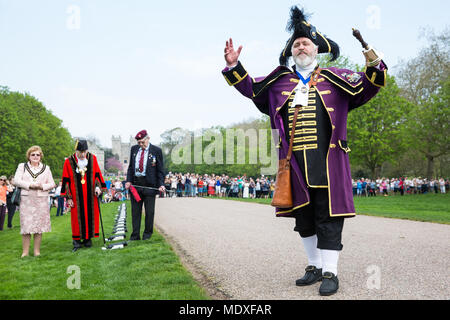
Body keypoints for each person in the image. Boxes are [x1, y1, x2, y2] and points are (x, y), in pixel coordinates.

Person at [222, 6, 387, 296]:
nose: (301, 47)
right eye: (296, 44)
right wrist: (235, 65)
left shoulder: (336, 78)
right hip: (295, 164)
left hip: (329, 163)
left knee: (329, 217)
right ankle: (313, 266)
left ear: (316, 49)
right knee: (304, 218)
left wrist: (372, 59)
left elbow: (370, 85)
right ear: (291, 50)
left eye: (306, 43)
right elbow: (251, 88)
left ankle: (330, 272)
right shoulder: (279, 82)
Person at [60, 139, 106, 252]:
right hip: (76, 196)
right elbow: (65, 179)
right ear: (76, 150)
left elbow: (97, 174)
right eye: (81, 152)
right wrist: (68, 197)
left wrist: (97, 186)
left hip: (90, 195)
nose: (83, 154)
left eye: (85, 152)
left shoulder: (92, 158)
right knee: (76, 218)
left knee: (90, 215)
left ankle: (87, 239)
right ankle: (76, 241)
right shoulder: (69, 161)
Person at [13, 146, 56, 257]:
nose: (35, 157)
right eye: (33, 154)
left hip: (41, 199)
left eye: (38, 154)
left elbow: (52, 184)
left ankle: (37, 252)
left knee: (39, 226)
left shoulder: (46, 168)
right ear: (29, 156)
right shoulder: (22, 166)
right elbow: (16, 180)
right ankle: (25, 252)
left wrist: (42, 186)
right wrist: (29, 185)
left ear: (41, 156)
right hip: (26, 200)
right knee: (26, 227)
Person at [125, 130, 165, 241]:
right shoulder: (134, 149)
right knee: (135, 212)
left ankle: (147, 235)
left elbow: (160, 170)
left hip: (150, 186)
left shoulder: (156, 151)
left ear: (148, 138)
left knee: (149, 212)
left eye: (142, 142)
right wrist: (128, 180)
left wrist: (161, 184)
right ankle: (135, 235)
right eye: (139, 143)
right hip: (136, 186)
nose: (141, 145)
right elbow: (130, 168)